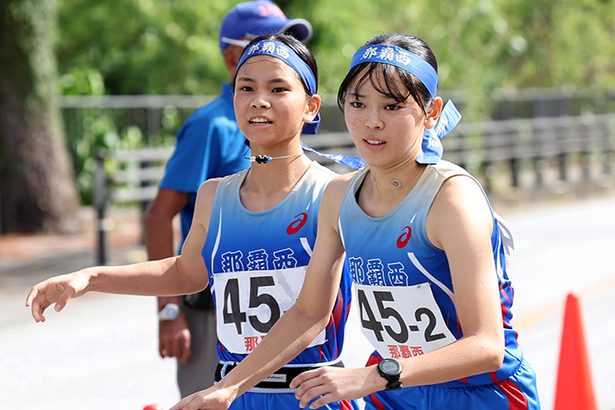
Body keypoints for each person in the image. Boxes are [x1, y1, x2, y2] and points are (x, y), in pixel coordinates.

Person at [169, 33, 540, 410]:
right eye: (358, 104)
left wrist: (372, 376)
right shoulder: (339, 197)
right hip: (395, 394)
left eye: (392, 106)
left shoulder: (451, 199)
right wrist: (228, 388)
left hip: (481, 394)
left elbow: (487, 347)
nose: (371, 122)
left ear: (431, 112)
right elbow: (308, 313)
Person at [26, 33, 358, 410]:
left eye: (278, 88)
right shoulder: (214, 195)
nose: (259, 100)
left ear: (311, 107)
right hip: (232, 393)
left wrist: (230, 387)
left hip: (307, 396)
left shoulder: (332, 193)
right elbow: (187, 272)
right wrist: (91, 277)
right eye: (245, 87)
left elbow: (312, 313)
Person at [145, 0, 313, 397]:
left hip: (286, 312)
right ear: (231, 56)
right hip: (214, 306)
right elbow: (159, 216)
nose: (280, 48)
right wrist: (169, 310)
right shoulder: (213, 125)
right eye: (267, 39)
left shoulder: (282, 115)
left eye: (287, 38)